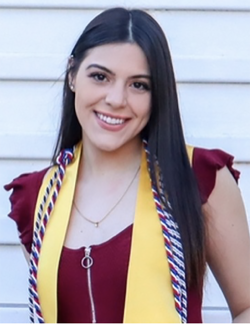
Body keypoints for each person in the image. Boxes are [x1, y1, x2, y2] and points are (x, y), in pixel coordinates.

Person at [4, 7, 250, 323]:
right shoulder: (37, 198)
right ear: (72, 75)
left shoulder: (199, 178)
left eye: (139, 85)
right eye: (100, 76)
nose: (116, 99)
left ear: (157, 94)